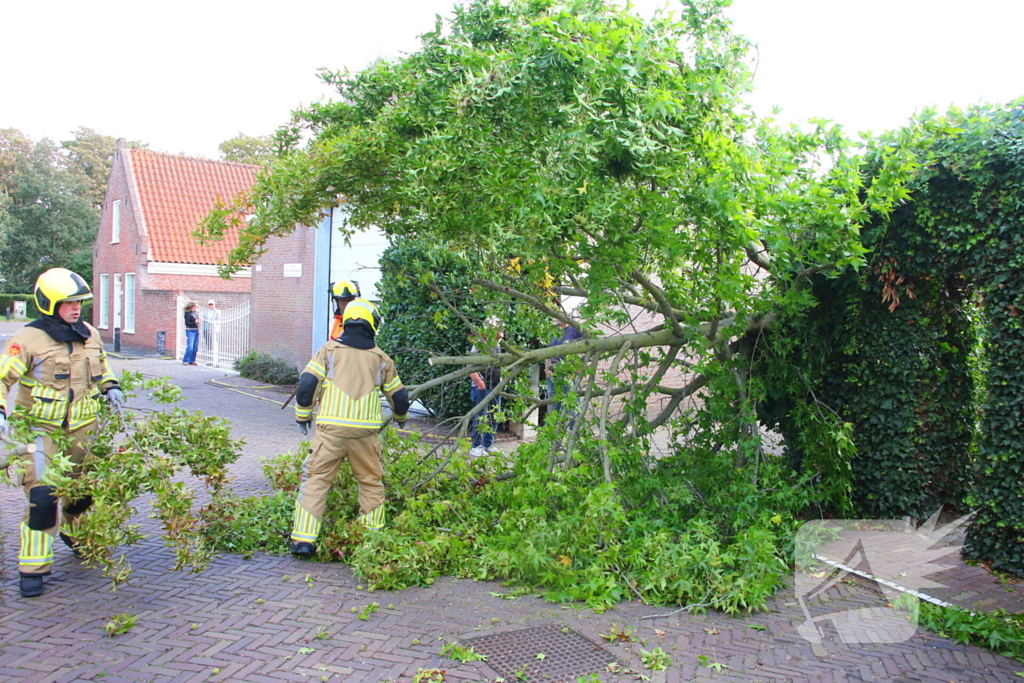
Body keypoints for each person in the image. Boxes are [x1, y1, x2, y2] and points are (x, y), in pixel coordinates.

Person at [0, 268, 123, 598]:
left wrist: (111, 387)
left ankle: (76, 534)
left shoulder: (89, 334)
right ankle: (33, 568)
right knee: (42, 498)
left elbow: (102, 368)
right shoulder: (27, 340)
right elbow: (2, 378)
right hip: (41, 432)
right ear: (49, 304)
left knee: (82, 494)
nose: (76, 308)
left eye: (79, 302)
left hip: (85, 430)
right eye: (68, 303)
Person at [289, 298, 410, 556]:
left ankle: (304, 541)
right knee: (370, 483)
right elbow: (399, 397)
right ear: (372, 324)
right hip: (365, 435)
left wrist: (303, 416)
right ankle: (371, 540)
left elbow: (308, 385)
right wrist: (400, 418)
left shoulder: (329, 350)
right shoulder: (382, 359)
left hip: (330, 432)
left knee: (316, 481)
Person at [468, 317, 504, 457]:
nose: (502, 329)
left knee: (495, 416)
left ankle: (488, 444)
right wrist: (480, 384)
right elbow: (470, 366)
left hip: (495, 387)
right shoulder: (479, 344)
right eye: (498, 326)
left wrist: (500, 381)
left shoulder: (497, 345)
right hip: (482, 388)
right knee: (481, 416)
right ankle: (476, 446)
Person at [545, 320, 582, 418]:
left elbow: (585, 352)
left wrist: (576, 371)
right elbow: (547, 352)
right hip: (553, 377)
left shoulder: (575, 330)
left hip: (570, 377)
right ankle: (554, 433)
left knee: (572, 410)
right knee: (553, 409)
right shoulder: (553, 332)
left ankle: (574, 432)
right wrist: (547, 369)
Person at [201, 299, 221, 364]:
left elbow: (218, 318)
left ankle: (216, 358)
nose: (211, 306)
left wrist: (215, 311)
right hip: (207, 330)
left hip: (215, 330)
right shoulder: (205, 312)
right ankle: (210, 359)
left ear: (214, 305)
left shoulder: (218, 311)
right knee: (209, 345)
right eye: (210, 305)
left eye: (212, 304)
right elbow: (204, 321)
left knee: (215, 343)